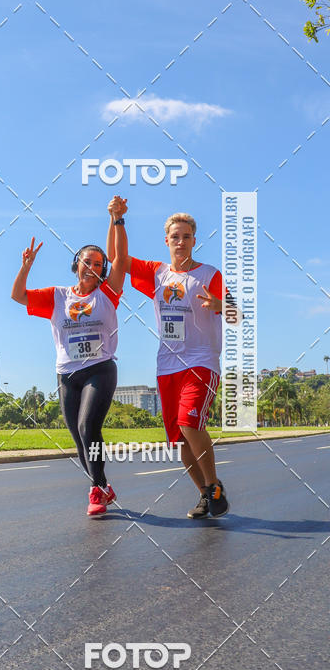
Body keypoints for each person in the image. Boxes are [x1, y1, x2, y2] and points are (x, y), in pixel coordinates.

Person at [107, 197, 239, 518]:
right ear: (166, 240)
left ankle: (214, 486)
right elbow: (117, 258)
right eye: (175, 236)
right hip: (167, 366)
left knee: (190, 422)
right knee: (179, 442)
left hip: (201, 361)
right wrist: (117, 219)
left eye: (186, 236)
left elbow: (236, 315)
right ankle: (207, 494)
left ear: (194, 240)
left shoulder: (210, 275)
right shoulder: (156, 274)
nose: (181, 241)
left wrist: (221, 306)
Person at [11, 219, 126, 517]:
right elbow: (18, 296)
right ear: (76, 264)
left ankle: (97, 488)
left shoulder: (108, 293)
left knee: (89, 426)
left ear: (103, 271)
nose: (92, 266)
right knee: (78, 435)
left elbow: (121, 259)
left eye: (98, 264)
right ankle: (102, 486)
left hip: (100, 368)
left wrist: (116, 220)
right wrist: (26, 265)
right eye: (86, 261)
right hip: (67, 374)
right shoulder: (57, 296)